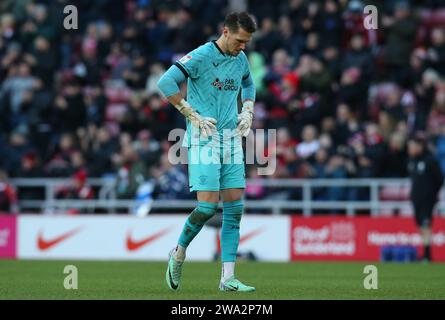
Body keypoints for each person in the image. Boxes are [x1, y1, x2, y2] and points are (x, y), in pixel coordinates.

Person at [157, 12, 257, 292]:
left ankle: (228, 279)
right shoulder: (201, 55)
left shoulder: (241, 58)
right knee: (207, 207)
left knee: (235, 209)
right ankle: (178, 252)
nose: (242, 47)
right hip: (203, 138)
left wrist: (248, 109)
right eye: (239, 40)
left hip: (231, 140)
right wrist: (191, 113)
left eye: (247, 42)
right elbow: (165, 82)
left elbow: (249, 83)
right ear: (225, 32)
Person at [407, 132, 444, 262]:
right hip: (416, 199)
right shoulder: (413, 161)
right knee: (419, 226)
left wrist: (432, 193)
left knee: (426, 225)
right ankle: (425, 253)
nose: (409, 149)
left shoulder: (430, 160)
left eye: (411, 147)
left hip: (427, 200)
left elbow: (440, 179)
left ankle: (428, 256)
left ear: (419, 146)